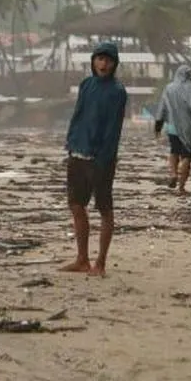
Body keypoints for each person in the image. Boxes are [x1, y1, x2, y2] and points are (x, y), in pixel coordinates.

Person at [61, 41, 128, 277]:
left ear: (114, 64)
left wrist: (104, 158)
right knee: (77, 205)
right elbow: (78, 115)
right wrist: (70, 143)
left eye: (108, 60)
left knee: (105, 209)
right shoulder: (86, 85)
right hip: (77, 153)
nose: (103, 64)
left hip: (101, 159)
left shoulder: (117, 92)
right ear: (93, 61)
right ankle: (82, 259)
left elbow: (113, 129)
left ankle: (100, 262)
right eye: (99, 59)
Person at [154, 64, 191, 194]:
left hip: (172, 128)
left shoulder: (169, 88)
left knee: (174, 152)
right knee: (187, 156)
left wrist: (158, 125)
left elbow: (162, 108)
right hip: (190, 129)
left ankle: (174, 174)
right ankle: (181, 187)